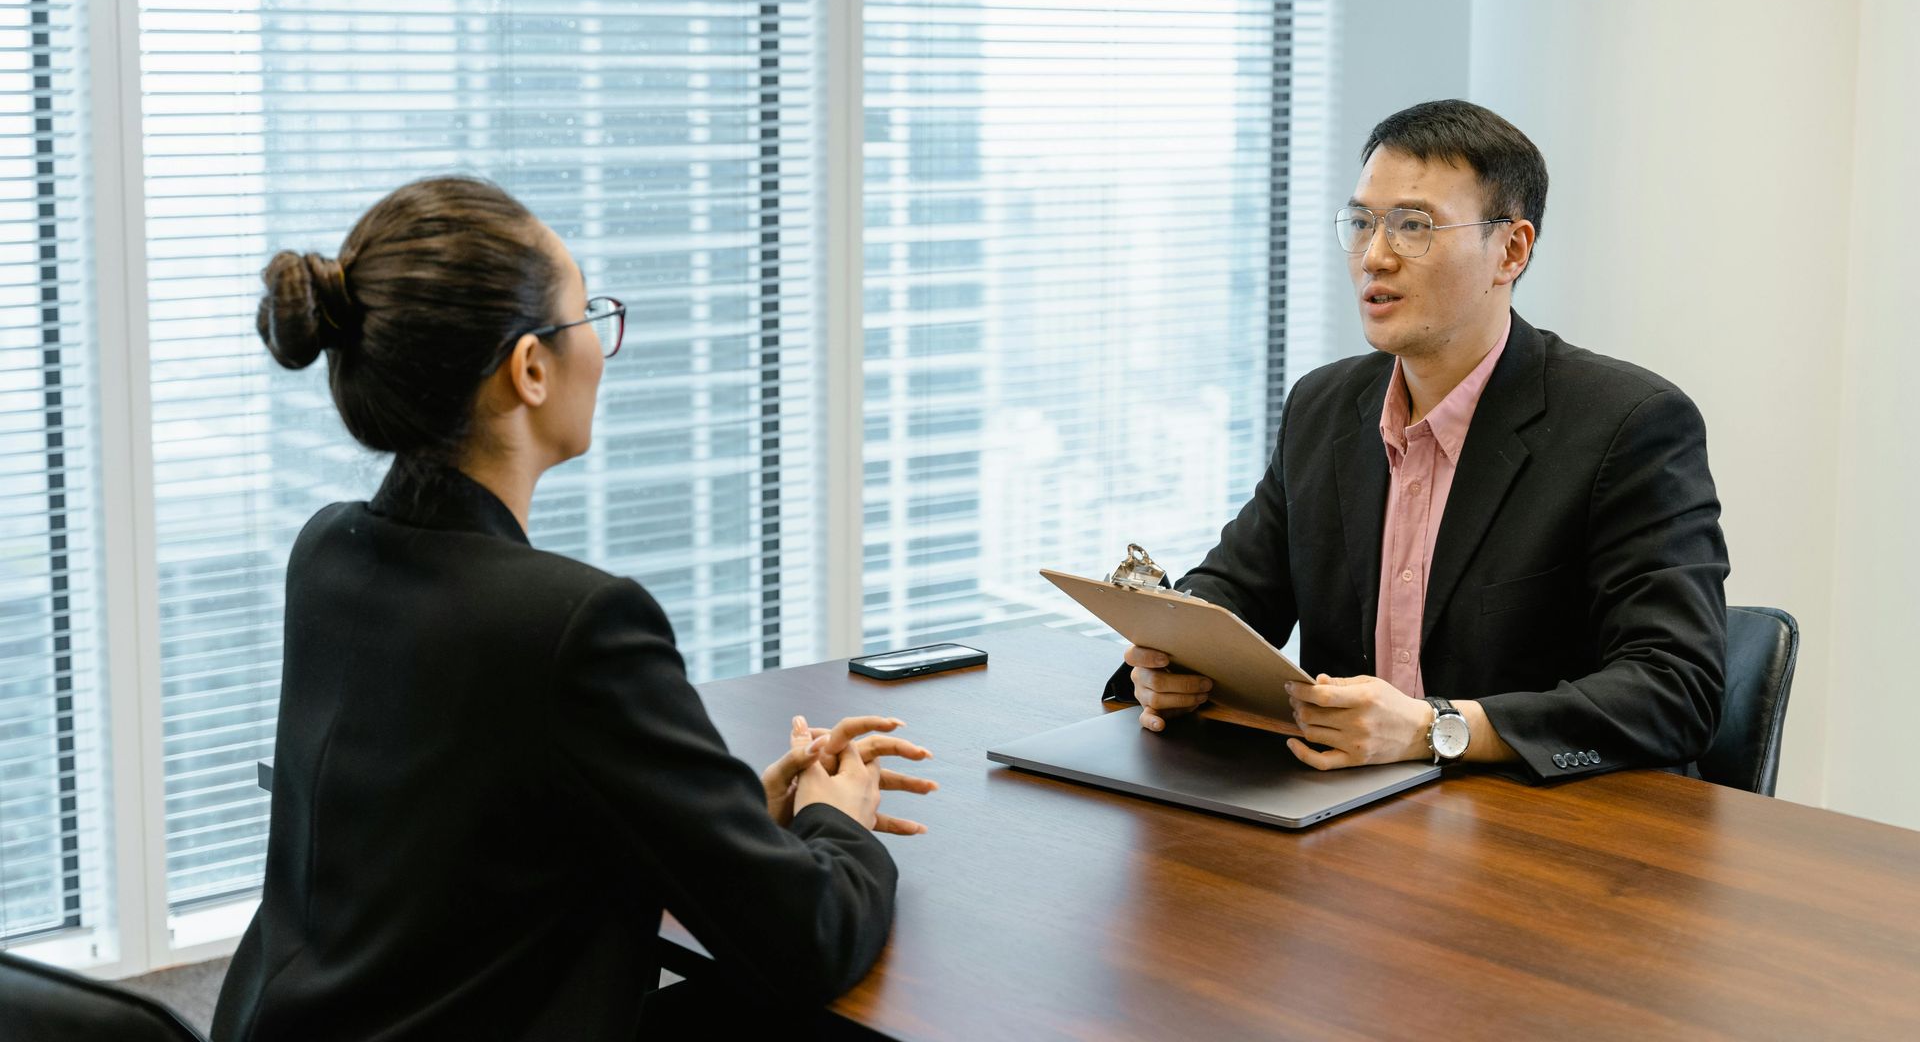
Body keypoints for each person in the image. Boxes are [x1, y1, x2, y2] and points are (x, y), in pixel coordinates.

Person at [211, 176, 933, 1041]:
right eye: (589, 313)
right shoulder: (574, 625)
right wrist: (835, 822)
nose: (602, 340)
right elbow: (811, 940)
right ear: (531, 368)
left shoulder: (328, 551)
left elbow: (469, 835)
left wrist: (731, 821)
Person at [1108, 100, 1728, 782]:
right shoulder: (1325, 406)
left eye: (1412, 226)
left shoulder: (1629, 425)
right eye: (1362, 223)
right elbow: (1236, 588)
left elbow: (1676, 692)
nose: (1375, 256)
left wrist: (1440, 729)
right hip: (1346, 811)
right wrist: (1178, 661)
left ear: (1511, 251)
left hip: (1538, 829)